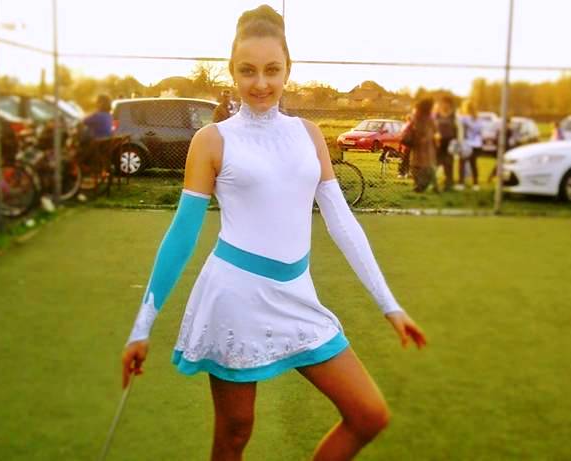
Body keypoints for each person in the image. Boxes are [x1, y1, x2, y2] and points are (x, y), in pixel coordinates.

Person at [121, 5, 427, 461]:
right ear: (232, 71)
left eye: (272, 70)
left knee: (368, 414)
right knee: (235, 433)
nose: (260, 82)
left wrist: (390, 305)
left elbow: (341, 221)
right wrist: (141, 328)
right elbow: (182, 234)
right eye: (248, 70)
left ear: (288, 70)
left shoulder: (310, 134)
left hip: (298, 295)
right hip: (235, 298)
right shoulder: (212, 140)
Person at [401, 98, 439, 193]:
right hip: (425, 145)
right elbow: (435, 130)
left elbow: (409, 129)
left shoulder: (418, 118)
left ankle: (422, 185)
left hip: (418, 145)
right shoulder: (428, 118)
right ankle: (427, 185)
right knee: (426, 166)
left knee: (417, 166)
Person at [434, 95, 461, 191]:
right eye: (443, 103)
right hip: (439, 143)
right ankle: (434, 184)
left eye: (447, 103)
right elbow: (434, 128)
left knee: (448, 164)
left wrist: (456, 141)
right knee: (436, 164)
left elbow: (457, 129)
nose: (445, 105)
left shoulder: (453, 115)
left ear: (450, 104)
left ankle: (448, 184)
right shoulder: (437, 114)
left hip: (450, 143)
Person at [455, 100, 482, 191]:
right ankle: (476, 184)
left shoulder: (464, 118)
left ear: (465, 108)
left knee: (462, 164)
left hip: (466, 144)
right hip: (477, 144)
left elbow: (457, 122)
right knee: (473, 164)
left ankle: (461, 184)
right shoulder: (478, 118)